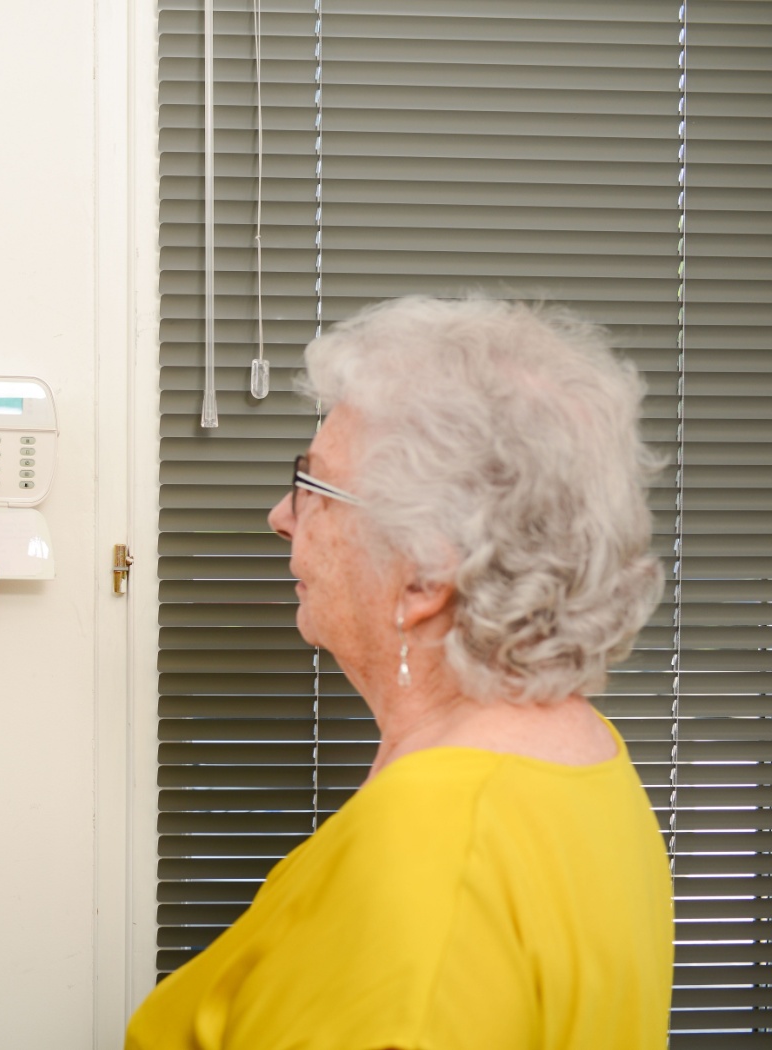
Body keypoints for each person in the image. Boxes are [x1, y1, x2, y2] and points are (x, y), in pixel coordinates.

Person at [126, 297, 675, 1049]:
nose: (281, 516)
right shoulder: (586, 759)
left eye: (313, 486)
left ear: (423, 576)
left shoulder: (430, 850)